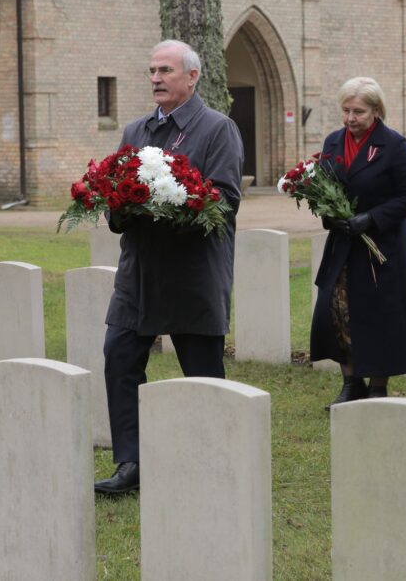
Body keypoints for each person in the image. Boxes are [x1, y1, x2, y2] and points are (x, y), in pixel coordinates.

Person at [95, 40, 244, 494]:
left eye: (165, 70)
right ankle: (131, 464)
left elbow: (224, 201)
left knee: (201, 375)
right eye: (152, 71)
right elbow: (115, 198)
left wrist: (166, 208)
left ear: (192, 76)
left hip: (192, 275)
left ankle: (215, 461)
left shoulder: (218, 130)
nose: (156, 78)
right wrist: (118, 207)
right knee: (119, 358)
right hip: (139, 274)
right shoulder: (135, 131)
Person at [310, 77, 406, 406]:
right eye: (346, 110)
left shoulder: (394, 145)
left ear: (376, 111)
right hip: (343, 246)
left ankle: (377, 385)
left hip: (381, 248)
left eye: (358, 111)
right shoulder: (333, 143)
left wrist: (372, 218)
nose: (350, 118)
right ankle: (351, 381)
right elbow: (323, 187)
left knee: (379, 315)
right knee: (338, 310)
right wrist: (330, 213)